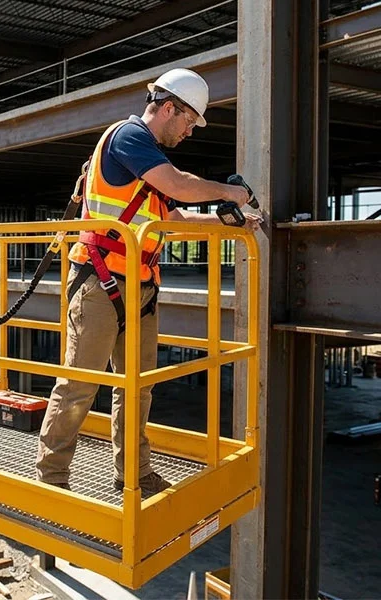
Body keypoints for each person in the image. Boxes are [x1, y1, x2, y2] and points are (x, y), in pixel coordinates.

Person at [35, 68, 262, 495]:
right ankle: (51, 476)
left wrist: (228, 220)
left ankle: (134, 473)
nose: (190, 132)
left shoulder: (148, 165)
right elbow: (180, 185)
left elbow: (173, 218)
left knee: (138, 388)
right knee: (80, 383)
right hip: (100, 282)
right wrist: (229, 193)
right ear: (170, 108)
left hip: (139, 288)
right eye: (189, 121)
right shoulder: (128, 137)